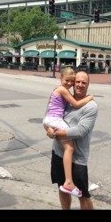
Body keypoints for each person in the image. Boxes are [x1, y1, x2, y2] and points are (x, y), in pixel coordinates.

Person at [47, 71, 98, 210]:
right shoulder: (65, 99)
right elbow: (52, 116)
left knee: (83, 195)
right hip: (58, 153)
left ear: (88, 85)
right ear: (73, 82)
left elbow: (80, 131)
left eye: (84, 82)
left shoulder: (91, 106)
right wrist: (49, 132)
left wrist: (57, 133)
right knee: (62, 188)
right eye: (78, 81)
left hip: (77, 159)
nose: (80, 85)